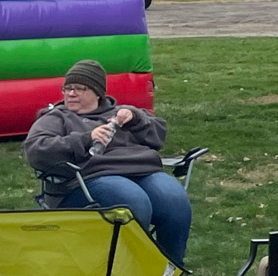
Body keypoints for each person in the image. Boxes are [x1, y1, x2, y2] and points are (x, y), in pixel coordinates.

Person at [22, 60, 192, 265]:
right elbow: (35, 150)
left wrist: (137, 119)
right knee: (133, 201)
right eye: (67, 88)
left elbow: (158, 136)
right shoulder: (56, 118)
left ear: (97, 92)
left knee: (174, 199)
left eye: (79, 88)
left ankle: (171, 269)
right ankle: (131, 271)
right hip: (86, 180)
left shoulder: (119, 113)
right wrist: (85, 139)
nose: (70, 94)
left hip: (142, 170)